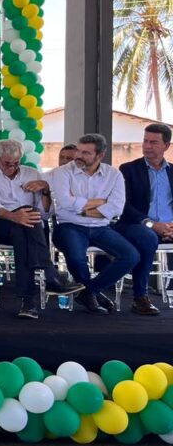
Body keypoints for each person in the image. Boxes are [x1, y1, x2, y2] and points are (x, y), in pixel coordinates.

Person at [0, 140, 84, 319]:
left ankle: (28, 302)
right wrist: (14, 216)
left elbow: (44, 213)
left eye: (16, 163)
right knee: (27, 219)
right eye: (7, 164)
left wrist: (45, 191)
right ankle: (50, 276)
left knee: (26, 227)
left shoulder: (32, 173)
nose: (12, 167)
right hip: (0, 224)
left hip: (28, 227)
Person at [52, 134, 151, 315]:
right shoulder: (62, 172)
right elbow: (65, 203)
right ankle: (92, 293)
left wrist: (80, 206)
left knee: (131, 256)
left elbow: (117, 207)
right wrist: (99, 202)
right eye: (78, 151)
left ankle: (90, 291)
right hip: (70, 226)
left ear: (100, 155)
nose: (78, 156)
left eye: (85, 153)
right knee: (75, 257)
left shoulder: (113, 174)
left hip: (101, 228)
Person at [113, 124, 170, 314]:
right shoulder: (128, 169)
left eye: (154, 142)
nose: (147, 146)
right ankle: (140, 298)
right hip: (135, 224)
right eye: (145, 141)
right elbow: (124, 207)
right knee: (148, 238)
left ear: (167, 146)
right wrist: (153, 225)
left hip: (168, 227)